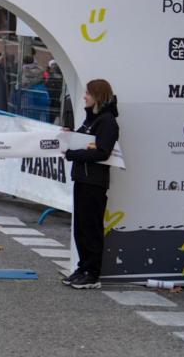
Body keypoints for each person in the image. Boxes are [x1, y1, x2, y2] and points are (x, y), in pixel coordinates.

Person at [61, 79, 119, 290]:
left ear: (98, 96)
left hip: (95, 182)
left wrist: (72, 154)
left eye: (88, 93)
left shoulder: (107, 121)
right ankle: (82, 267)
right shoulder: (90, 120)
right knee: (81, 227)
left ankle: (92, 274)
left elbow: (102, 151)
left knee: (91, 228)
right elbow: (83, 142)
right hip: (82, 179)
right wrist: (69, 135)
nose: (84, 96)